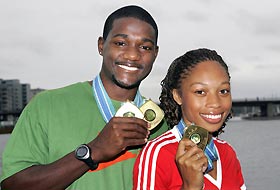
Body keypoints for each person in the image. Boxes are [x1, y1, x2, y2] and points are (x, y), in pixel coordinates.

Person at [0, 5, 168, 190]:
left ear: (155, 54)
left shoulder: (161, 124)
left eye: (145, 47)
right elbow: (12, 186)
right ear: (101, 45)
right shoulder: (47, 105)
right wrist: (94, 151)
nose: (132, 55)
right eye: (120, 43)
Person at [133, 48, 246, 190]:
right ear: (178, 96)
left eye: (223, 91)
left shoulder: (226, 152)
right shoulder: (157, 153)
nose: (215, 102)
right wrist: (190, 186)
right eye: (200, 92)